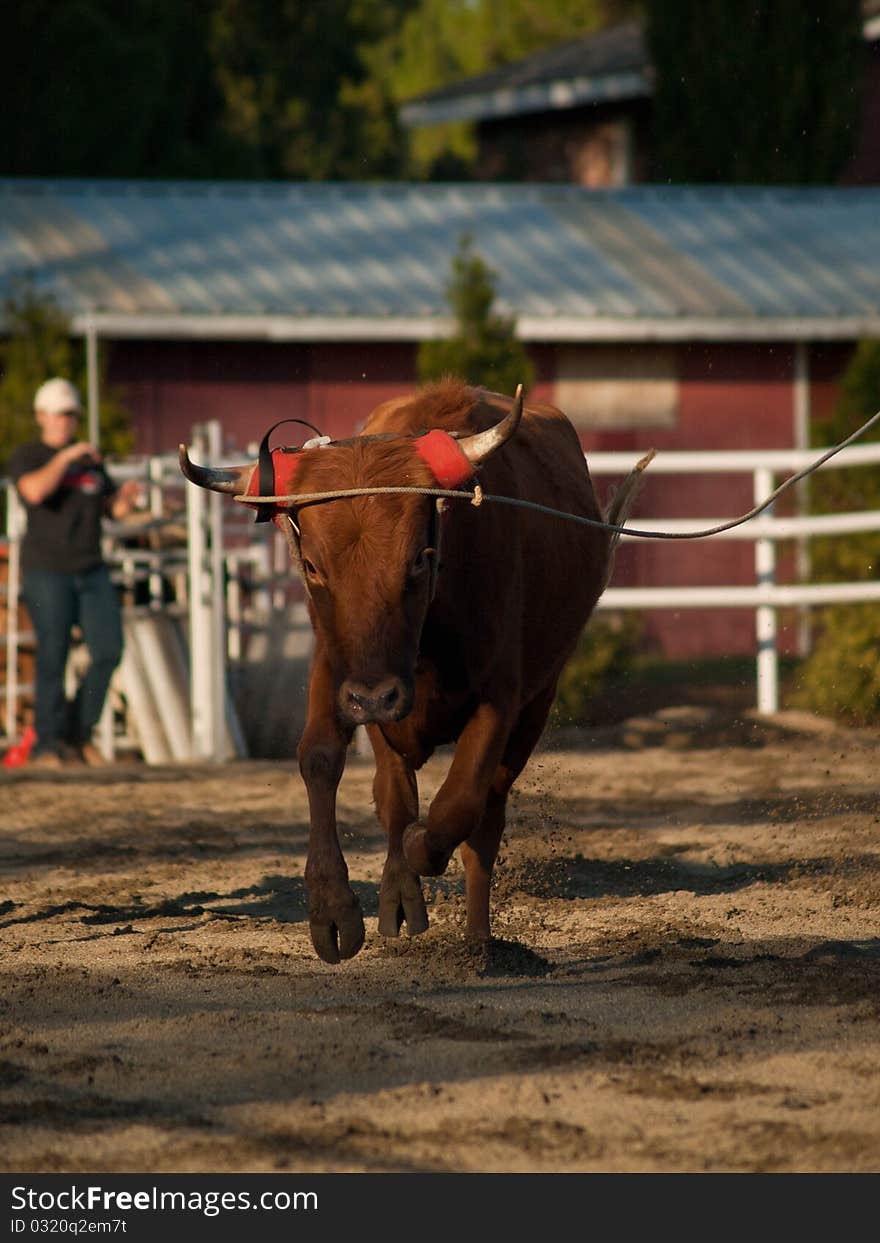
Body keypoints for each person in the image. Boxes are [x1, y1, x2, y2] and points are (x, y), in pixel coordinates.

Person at [8, 377, 140, 769]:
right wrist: (65, 458)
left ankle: (77, 733)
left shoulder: (91, 461)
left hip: (90, 566)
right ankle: (47, 744)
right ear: (42, 416)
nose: (67, 422)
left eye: (72, 415)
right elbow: (33, 492)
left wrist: (124, 501)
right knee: (53, 653)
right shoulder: (29, 455)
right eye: (61, 414)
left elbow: (110, 509)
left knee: (108, 649)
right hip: (47, 569)